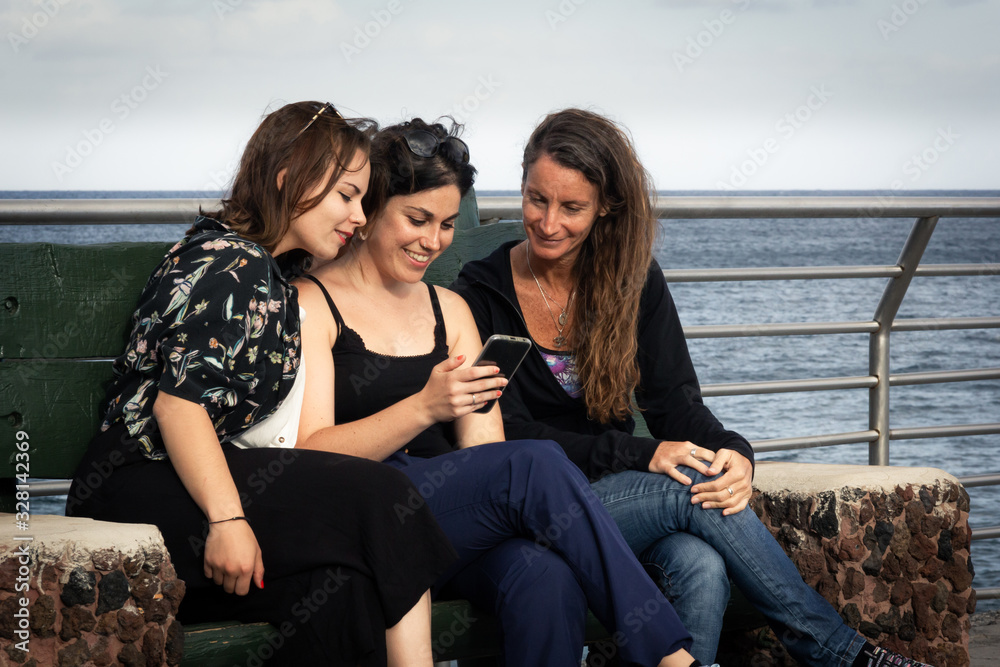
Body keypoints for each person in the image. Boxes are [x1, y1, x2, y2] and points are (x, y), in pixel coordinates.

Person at [452, 108, 935, 667]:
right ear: (521, 187)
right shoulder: (481, 293)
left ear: (605, 206)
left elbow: (675, 401)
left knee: (698, 565)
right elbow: (510, 434)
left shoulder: (631, 281)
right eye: (537, 199)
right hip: (534, 509)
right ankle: (837, 652)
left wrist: (736, 453)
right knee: (686, 488)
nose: (548, 221)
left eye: (572, 207)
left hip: (618, 504)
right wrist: (642, 453)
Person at [294, 118, 717, 667]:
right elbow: (309, 456)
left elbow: (488, 458)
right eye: (417, 219)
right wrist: (424, 406)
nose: (432, 241)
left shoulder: (450, 310)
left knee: (544, 576)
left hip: (446, 521)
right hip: (366, 513)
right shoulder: (313, 303)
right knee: (535, 462)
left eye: (446, 224)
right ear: (372, 207)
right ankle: (671, 658)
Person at [66, 101, 458, 667]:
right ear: (288, 178)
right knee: (383, 494)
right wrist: (228, 522)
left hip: (189, 476)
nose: (359, 216)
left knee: (340, 589)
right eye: (347, 196)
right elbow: (178, 405)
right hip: (133, 482)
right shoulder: (234, 264)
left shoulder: (273, 273)